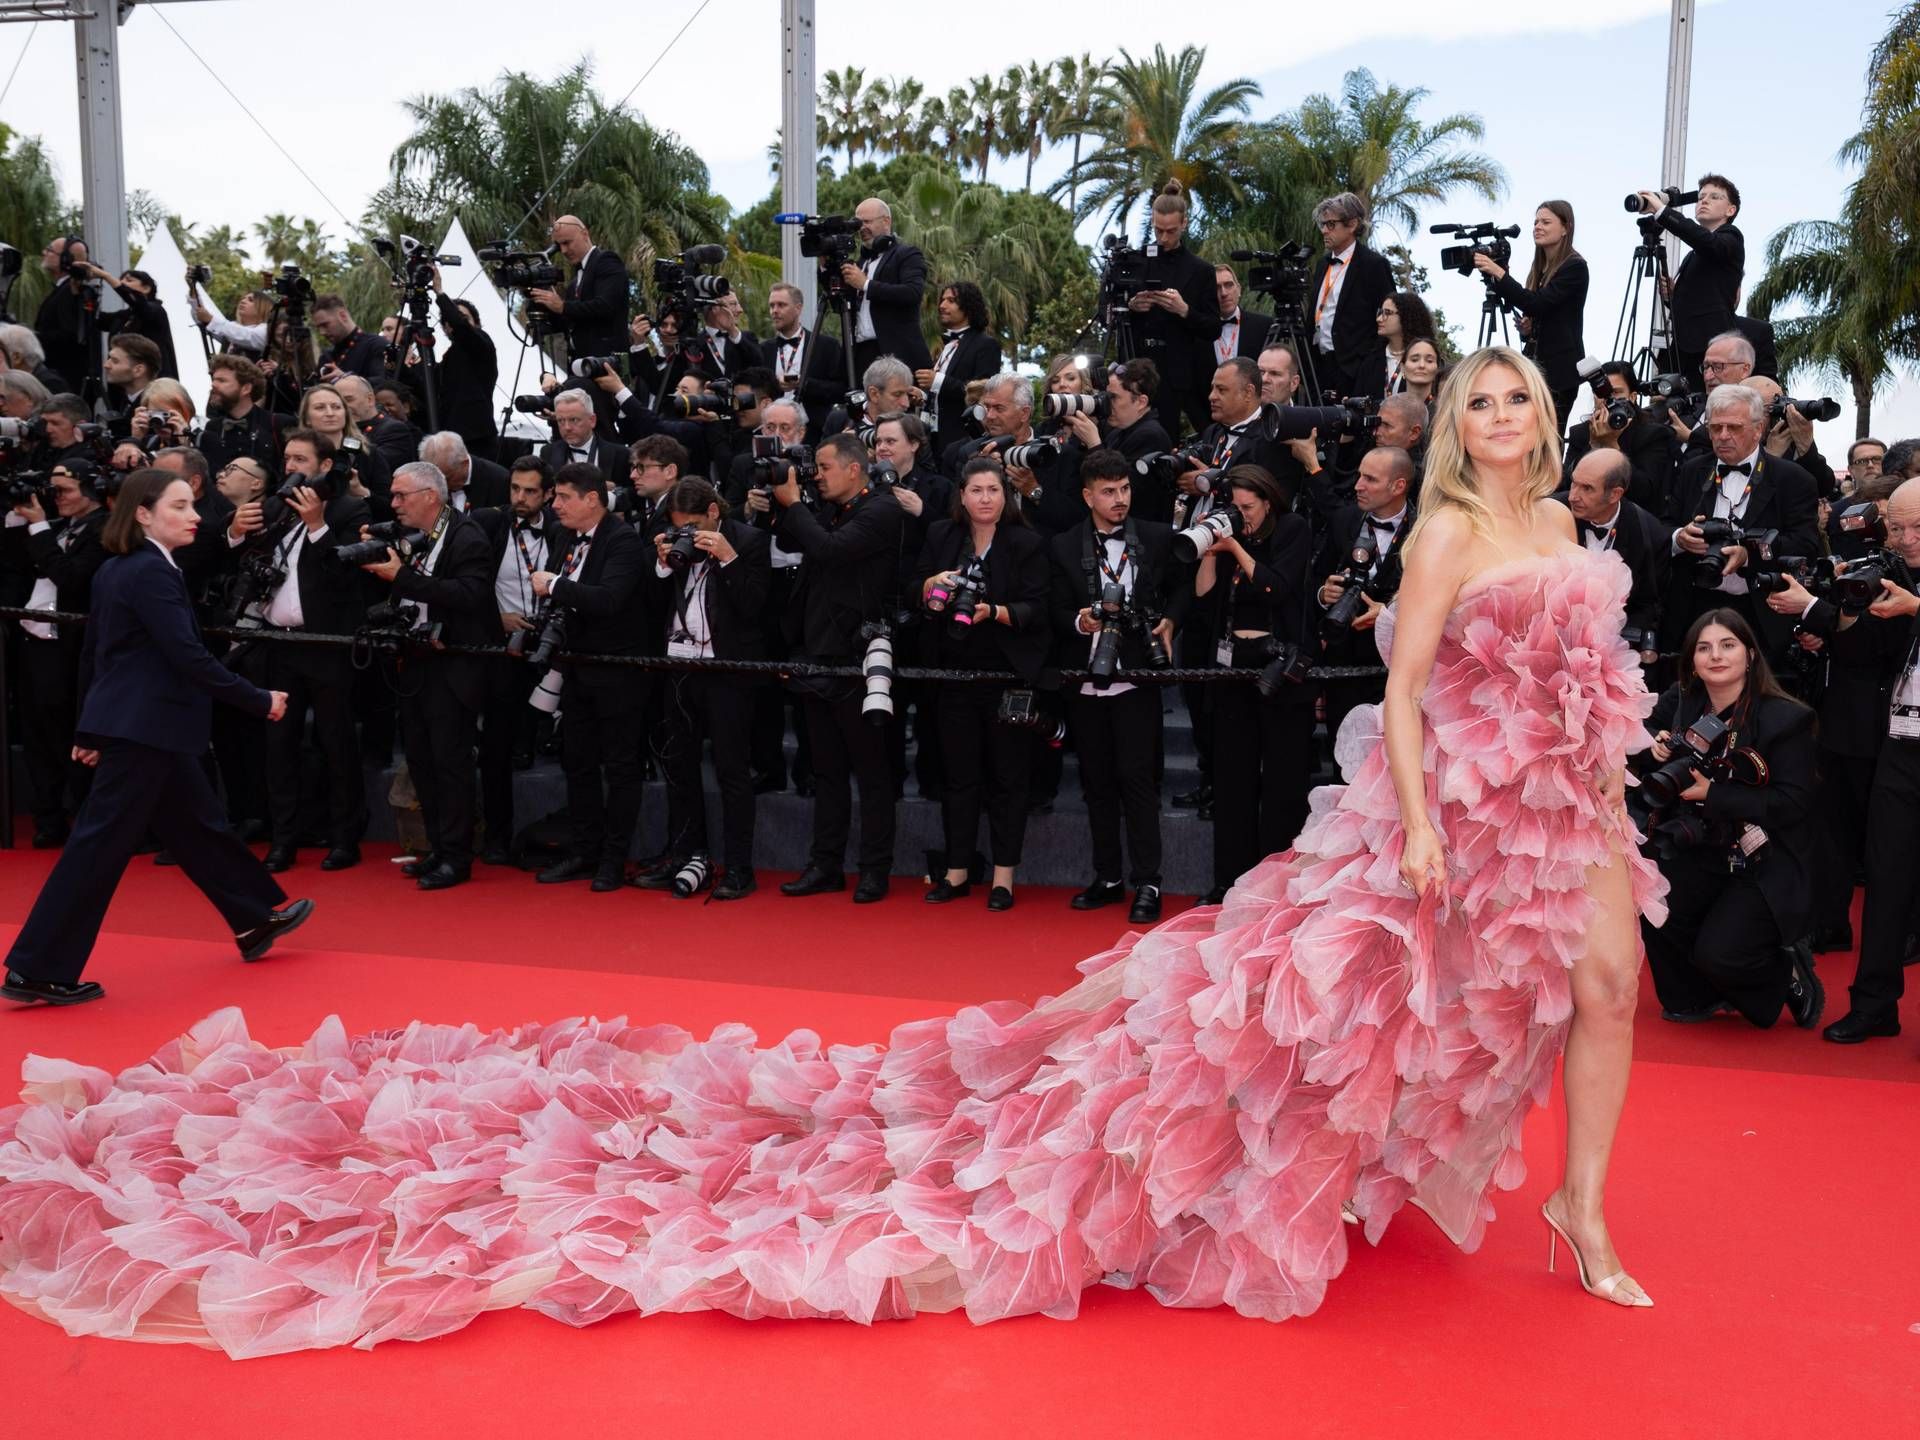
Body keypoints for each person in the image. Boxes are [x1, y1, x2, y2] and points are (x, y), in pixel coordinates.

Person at [0, 350, 1678, 1350]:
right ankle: (1320, 1169)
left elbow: (1596, 685)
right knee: (1344, 1012)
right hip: (1452, 810)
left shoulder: (1563, 526)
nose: (1502, 414)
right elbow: (1400, 697)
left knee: (1605, 992)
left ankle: (1581, 1208)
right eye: (1480, 400)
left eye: (1518, 396)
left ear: (1543, 415)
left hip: (1571, 803)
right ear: (1457, 426)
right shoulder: (1448, 535)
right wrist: (1429, 825)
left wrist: (1599, 799)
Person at [1, 468, 311, 1007]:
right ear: (143, 514)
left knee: (197, 825)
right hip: (145, 728)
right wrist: (258, 699)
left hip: (145, 726)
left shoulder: (121, 569)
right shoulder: (149, 572)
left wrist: (90, 727)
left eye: (192, 505)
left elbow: (99, 654)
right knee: (97, 848)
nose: (194, 517)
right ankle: (36, 968)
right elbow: (186, 657)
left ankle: (253, 917)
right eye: (179, 506)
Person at [1773, 477, 1920, 1043]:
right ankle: (1875, 1004)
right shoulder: (1889, 570)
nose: (1906, 538)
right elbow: (1861, 654)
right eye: (1897, 527)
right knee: (1886, 876)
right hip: (1901, 743)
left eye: (1918, 527)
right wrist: (1833, 615)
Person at [1639, 610, 1822, 1028]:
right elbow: (1639, 730)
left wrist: (1715, 794)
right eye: (1704, 648)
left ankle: (1786, 973)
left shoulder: (1785, 718)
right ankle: (1703, 994)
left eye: (1728, 645)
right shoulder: (1682, 701)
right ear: (1691, 660)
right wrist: (1654, 743)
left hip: (1763, 856)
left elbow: (1793, 803)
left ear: (1751, 655)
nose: (1716, 656)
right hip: (1698, 843)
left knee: (1722, 955)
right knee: (1654, 904)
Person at [223, 428, 371, 872]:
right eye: (287, 458)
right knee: (279, 747)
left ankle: (344, 839)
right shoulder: (274, 506)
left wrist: (317, 526)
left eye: (300, 460)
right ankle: (283, 840)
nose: (290, 467)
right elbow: (237, 557)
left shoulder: (350, 509)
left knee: (336, 744)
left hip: (326, 646)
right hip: (277, 644)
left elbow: (347, 577)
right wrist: (234, 531)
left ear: (325, 466)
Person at [1050, 448, 1184, 923]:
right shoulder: (1063, 545)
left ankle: (1148, 882)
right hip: (1084, 679)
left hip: (1135, 678)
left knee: (1138, 782)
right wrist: (1079, 621)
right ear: (1088, 496)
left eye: (1124, 489)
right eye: (1108, 491)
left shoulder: (1157, 537)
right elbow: (1052, 608)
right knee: (1097, 783)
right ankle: (1107, 878)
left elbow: (1183, 587)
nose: (1119, 499)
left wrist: (1171, 620)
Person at [772, 431, 905, 903]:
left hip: (860, 658)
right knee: (825, 769)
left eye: (825, 468)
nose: (817, 476)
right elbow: (789, 537)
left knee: (871, 772)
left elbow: (831, 551)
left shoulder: (882, 509)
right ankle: (825, 864)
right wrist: (784, 504)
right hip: (816, 654)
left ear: (854, 468)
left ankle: (874, 870)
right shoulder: (829, 509)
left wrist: (794, 505)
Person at [354, 461, 497, 890]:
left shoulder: (467, 535)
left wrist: (401, 576)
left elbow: (470, 594)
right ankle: (437, 848)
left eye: (402, 495)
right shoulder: (414, 535)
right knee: (421, 761)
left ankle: (457, 856)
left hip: (452, 667)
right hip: (414, 662)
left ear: (430, 496)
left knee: (450, 764)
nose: (394, 503)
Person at [915, 458, 1050, 909]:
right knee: (959, 777)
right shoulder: (941, 535)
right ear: (962, 495)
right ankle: (956, 871)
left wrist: (993, 612)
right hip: (953, 676)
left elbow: (1038, 609)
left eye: (994, 490)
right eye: (976, 490)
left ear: (1006, 496)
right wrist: (931, 584)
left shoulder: (1026, 542)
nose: (986, 499)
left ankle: (1003, 878)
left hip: (1007, 677)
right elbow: (912, 591)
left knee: (1008, 779)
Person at [630, 477, 770, 900]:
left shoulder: (749, 540)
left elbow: (755, 607)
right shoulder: (674, 543)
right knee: (679, 768)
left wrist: (728, 559)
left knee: (731, 771)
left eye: (691, 525)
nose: (686, 534)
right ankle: (686, 857)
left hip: (727, 671)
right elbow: (647, 607)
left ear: (713, 511)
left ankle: (739, 868)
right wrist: (660, 566)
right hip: (679, 669)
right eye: (678, 527)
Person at [1195, 466, 1316, 903]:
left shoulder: (1293, 529)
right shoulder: (1229, 536)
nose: (1241, 515)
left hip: (1280, 669)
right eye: (1235, 507)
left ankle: (1275, 887)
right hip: (1232, 668)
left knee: (1284, 783)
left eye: (1248, 507)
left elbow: (1276, 589)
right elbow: (1204, 598)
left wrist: (1237, 549)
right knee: (1232, 780)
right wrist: (1211, 548)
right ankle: (1229, 882)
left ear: (1268, 502)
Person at [529, 463, 650, 892]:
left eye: (564, 497)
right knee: (576, 763)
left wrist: (555, 586)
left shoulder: (623, 541)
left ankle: (613, 860)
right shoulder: (563, 535)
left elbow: (610, 598)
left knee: (620, 768)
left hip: (618, 672)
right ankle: (584, 851)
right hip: (574, 668)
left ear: (592, 499)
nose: (556, 505)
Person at [12, 459, 111, 846]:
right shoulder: (57, 525)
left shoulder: (104, 529)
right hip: (33, 643)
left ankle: (85, 820)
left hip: (69, 649)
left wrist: (39, 527)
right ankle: (49, 819)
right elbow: (16, 563)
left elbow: (70, 577)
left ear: (91, 489)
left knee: (65, 735)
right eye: (52, 491)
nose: (57, 498)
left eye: (64, 490)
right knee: (36, 736)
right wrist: (21, 517)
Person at [473, 455, 554, 861]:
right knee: (496, 745)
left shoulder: (562, 529)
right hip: (503, 647)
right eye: (515, 489)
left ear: (549, 494)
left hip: (555, 646)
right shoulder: (489, 524)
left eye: (530, 491)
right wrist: (497, 618)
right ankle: (496, 837)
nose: (520, 498)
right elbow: (469, 584)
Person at [1315, 445, 1415, 742]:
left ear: (1398, 486)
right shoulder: (1344, 519)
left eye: (1370, 479)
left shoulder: (1425, 528)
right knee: (1343, 749)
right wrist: (1324, 593)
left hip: (1400, 665)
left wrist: (1389, 613)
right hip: (1344, 661)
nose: (1358, 485)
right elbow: (1315, 578)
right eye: (1359, 476)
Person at [1474, 201, 1588, 423]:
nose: (1538, 227)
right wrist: (1528, 330)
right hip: (1534, 367)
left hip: (1559, 373)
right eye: (1536, 222)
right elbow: (1541, 311)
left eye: (1546, 222)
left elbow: (1536, 303)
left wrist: (1499, 273)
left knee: (1549, 436)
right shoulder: (1540, 268)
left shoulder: (1575, 267)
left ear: (1566, 228)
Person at [1128, 183, 1223, 437]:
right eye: (1158, 230)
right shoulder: (1136, 262)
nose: (1163, 238)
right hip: (1139, 369)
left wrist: (1184, 310)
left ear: (1184, 224)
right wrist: (1132, 306)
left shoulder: (1201, 270)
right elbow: (1109, 312)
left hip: (1184, 375)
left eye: (1170, 231)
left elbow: (1213, 327)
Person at [1636, 175, 1744, 385]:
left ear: (1730, 210)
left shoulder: (1732, 237)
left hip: (1710, 348)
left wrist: (1662, 211)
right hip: (1682, 349)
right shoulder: (1693, 254)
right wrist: (1672, 295)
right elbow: (1699, 299)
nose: (1704, 201)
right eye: (1701, 197)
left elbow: (1705, 241)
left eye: (1714, 197)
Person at [1566, 449, 1666, 666]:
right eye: (1573, 483)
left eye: (1587, 488)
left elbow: (1648, 605)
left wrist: (1612, 644)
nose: (1573, 495)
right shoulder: (1553, 514)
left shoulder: (1649, 534)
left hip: (1613, 650)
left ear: (1615, 494)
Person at [1307, 192, 1396, 402]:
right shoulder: (1322, 264)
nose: (1324, 230)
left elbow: (1390, 315)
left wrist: (1367, 363)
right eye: (1322, 225)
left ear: (1352, 224)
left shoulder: (1373, 264)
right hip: (1319, 366)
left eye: (1331, 224)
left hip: (1355, 369)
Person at [1561, 360, 1677, 520]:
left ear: (1633, 397)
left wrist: (1611, 445)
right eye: (1601, 394)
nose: (1608, 400)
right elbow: (1567, 485)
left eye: (1615, 393)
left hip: (1633, 521)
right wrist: (1594, 445)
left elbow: (1645, 493)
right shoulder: (1580, 433)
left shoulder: (1653, 434)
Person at [846, 197, 931, 375]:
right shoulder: (860, 263)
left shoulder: (907, 254)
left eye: (867, 222)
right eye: (858, 223)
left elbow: (912, 292)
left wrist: (866, 284)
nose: (862, 228)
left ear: (886, 221)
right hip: (860, 353)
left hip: (896, 354)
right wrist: (824, 263)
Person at [913, 281, 1001, 444]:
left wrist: (937, 381)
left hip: (961, 438)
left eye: (951, 301)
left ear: (968, 306)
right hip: (932, 437)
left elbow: (983, 393)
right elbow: (941, 393)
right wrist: (923, 396)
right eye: (942, 300)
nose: (942, 306)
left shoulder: (986, 345)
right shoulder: (946, 344)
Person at [429, 267, 500, 458]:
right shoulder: (448, 357)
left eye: (464, 317)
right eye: (449, 321)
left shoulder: (482, 343)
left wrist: (440, 294)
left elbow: (462, 328)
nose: (455, 322)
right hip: (448, 439)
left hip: (476, 438)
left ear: (476, 323)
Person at [761, 281, 845, 433]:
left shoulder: (826, 345)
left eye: (781, 305)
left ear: (798, 308)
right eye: (772, 306)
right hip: (773, 430)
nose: (775, 311)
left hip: (815, 430)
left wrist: (803, 384)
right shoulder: (764, 348)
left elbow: (840, 391)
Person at [419, 430, 508, 512]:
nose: (440, 486)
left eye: (447, 478)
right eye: (435, 480)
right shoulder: (426, 485)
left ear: (464, 464)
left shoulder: (500, 481)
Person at [311, 295, 389, 385]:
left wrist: (346, 378)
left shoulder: (376, 345)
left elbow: (386, 384)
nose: (322, 332)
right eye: (318, 328)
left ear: (342, 316)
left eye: (325, 325)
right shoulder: (326, 357)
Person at [1373, 291, 1436, 398]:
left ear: (1406, 316)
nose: (1379, 319)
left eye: (1387, 313)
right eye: (1380, 312)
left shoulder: (1427, 360)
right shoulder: (1372, 361)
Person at [188, 283, 271, 358]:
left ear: (263, 308)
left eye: (250, 300)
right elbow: (204, 320)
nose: (243, 301)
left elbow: (248, 336)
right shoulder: (231, 328)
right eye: (243, 298)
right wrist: (193, 290)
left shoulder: (266, 330)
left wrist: (211, 319)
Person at [1213, 264, 1273, 366]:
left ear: (1239, 290)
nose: (1223, 293)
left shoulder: (1264, 325)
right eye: (1217, 287)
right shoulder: (1199, 331)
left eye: (1229, 285)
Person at [1400, 338, 1442, 409]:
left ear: (1437, 369)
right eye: (1414, 360)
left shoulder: (1445, 411)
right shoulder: (1389, 408)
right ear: (1402, 368)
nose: (1421, 365)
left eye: (1429, 361)